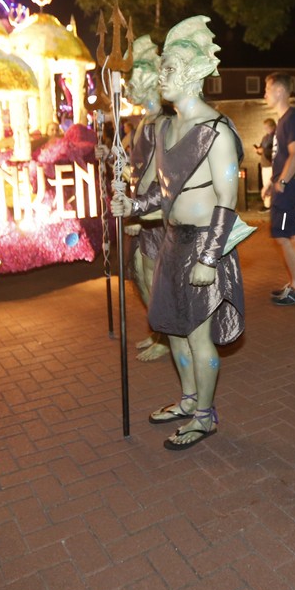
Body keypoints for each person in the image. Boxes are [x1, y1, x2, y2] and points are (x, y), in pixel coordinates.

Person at [111, 15, 246, 450]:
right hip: (172, 242)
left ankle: (205, 416)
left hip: (205, 244)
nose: (161, 77)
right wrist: (134, 206)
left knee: (198, 335)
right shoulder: (166, 128)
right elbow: (164, 192)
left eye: (169, 69)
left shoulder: (217, 132)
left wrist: (209, 258)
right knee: (171, 327)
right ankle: (189, 399)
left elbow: (227, 199)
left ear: (192, 74)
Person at [121, 35, 172, 363]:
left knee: (155, 275)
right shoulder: (145, 122)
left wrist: (138, 214)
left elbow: (158, 172)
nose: (129, 87)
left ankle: (166, 337)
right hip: (143, 208)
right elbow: (139, 169)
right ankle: (159, 333)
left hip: (154, 213)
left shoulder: (163, 123)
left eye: (134, 76)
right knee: (141, 273)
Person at [264, 72, 295, 304]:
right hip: (288, 186)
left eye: (267, 89)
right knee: (293, 235)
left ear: (280, 91)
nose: (264, 94)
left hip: (288, 189)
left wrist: (281, 182)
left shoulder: (292, 119)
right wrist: (271, 184)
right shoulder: (285, 120)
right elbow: (283, 157)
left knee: (282, 236)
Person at [254, 118, 276, 208]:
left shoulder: (276, 137)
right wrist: (258, 150)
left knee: (269, 186)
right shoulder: (265, 137)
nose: (266, 129)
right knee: (266, 185)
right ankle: (267, 205)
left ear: (273, 126)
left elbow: (275, 151)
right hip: (264, 164)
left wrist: (264, 150)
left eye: (267, 127)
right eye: (265, 127)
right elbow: (262, 149)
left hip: (271, 165)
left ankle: (269, 205)